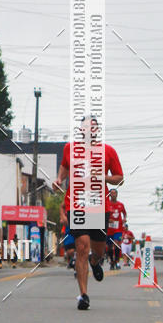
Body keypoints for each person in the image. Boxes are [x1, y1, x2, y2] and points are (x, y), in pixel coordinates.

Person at [53, 117, 123, 310]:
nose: (88, 131)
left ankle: (95, 261)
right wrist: (59, 179)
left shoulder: (108, 151)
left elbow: (120, 179)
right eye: (85, 127)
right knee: (82, 247)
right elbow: (65, 166)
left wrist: (103, 177)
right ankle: (83, 295)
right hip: (76, 205)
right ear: (80, 130)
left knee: (98, 250)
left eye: (92, 128)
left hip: (99, 207)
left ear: (97, 131)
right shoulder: (70, 148)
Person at [106, 188, 127, 269]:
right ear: (109, 194)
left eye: (115, 193)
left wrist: (124, 219)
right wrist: (107, 220)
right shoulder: (107, 204)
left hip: (118, 228)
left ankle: (117, 262)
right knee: (110, 246)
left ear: (117, 194)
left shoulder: (120, 205)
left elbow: (124, 213)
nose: (113, 194)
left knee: (117, 244)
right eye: (112, 193)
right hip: (109, 229)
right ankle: (112, 261)